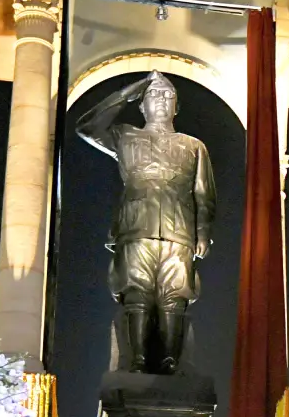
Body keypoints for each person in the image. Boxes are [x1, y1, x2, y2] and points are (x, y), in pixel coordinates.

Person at [76, 71, 216, 374]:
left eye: (168, 95)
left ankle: (170, 359)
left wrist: (202, 232)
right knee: (136, 292)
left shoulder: (194, 146)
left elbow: (204, 194)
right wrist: (128, 92)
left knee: (174, 296)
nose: (161, 99)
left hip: (179, 231)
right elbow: (87, 127)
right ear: (142, 105)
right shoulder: (126, 136)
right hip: (136, 226)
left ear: (176, 106)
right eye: (153, 94)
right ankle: (137, 359)